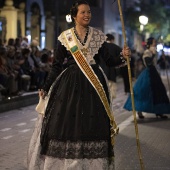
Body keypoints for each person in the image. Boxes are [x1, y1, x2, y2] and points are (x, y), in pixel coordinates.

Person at [27, 1, 131, 169]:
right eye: (83, 12)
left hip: (94, 87)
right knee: (69, 124)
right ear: (74, 16)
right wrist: (45, 87)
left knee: (92, 123)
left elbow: (110, 61)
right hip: (70, 85)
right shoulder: (65, 37)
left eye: (89, 12)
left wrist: (123, 56)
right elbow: (57, 66)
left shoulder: (98, 36)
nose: (87, 15)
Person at [124, 37, 170, 119]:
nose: (155, 43)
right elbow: (149, 63)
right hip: (148, 73)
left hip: (154, 73)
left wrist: (161, 59)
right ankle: (140, 110)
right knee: (143, 92)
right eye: (153, 42)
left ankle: (159, 111)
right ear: (150, 43)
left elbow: (155, 63)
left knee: (158, 92)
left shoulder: (153, 51)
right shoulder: (147, 52)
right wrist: (153, 55)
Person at [99, 33, 123, 100]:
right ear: (112, 39)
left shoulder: (100, 46)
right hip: (112, 72)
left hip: (101, 71)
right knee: (111, 93)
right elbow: (122, 58)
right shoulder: (115, 47)